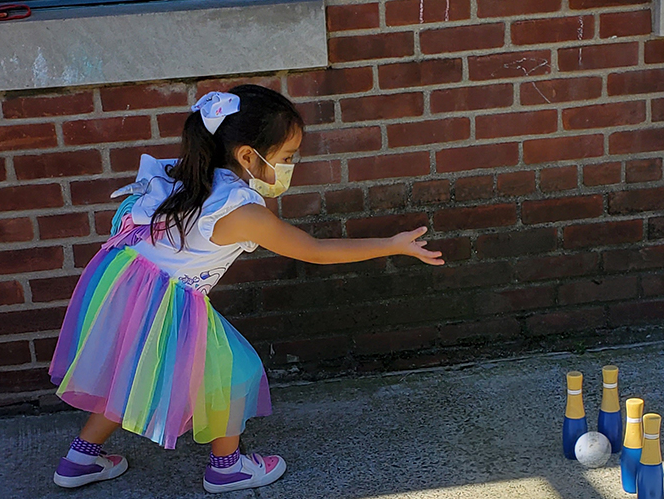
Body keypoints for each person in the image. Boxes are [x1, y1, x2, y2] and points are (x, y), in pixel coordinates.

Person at [47, 84, 445, 493]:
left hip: (127, 283)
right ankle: (226, 467)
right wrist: (392, 245)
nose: (291, 166)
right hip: (162, 298)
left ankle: (80, 458)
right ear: (247, 156)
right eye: (287, 158)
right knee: (236, 372)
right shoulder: (240, 210)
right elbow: (315, 250)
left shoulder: (193, 173)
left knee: (132, 373)